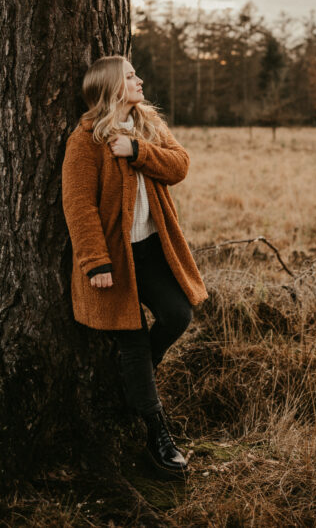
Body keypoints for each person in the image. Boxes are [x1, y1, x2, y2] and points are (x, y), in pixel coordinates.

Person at [61, 54, 208, 477]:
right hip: (114, 261)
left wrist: (139, 150)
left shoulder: (147, 125)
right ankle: (156, 433)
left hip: (151, 252)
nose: (139, 80)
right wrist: (95, 263)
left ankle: (138, 376)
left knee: (178, 315)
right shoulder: (85, 140)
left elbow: (179, 165)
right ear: (111, 88)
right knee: (132, 341)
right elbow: (78, 207)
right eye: (130, 76)